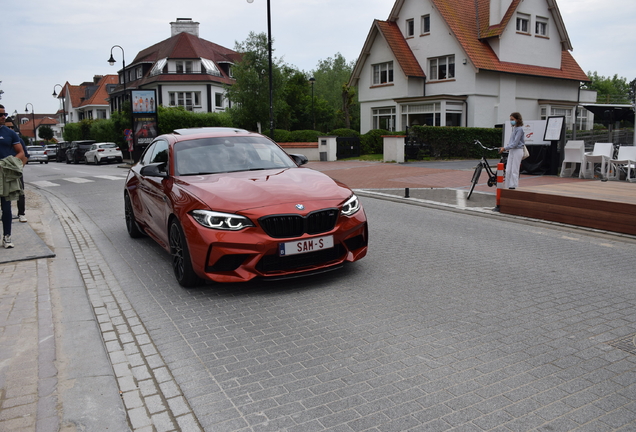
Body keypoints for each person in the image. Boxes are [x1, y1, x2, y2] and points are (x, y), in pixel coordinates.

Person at [0, 104, 28, 248]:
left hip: (5, 175)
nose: (3, 117)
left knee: (6, 207)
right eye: (0, 115)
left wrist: (14, 167)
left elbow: (21, 153)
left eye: (4, 114)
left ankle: (7, 237)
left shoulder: (10, 133)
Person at [4, 117, 28, 222]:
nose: (10, 129)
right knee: (4, 193)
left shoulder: (18, 139)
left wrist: (20, 168)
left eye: (12, 127)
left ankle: (21, 214)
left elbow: (25, 155)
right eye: (8, 127)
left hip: (15, 170)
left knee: (20, 192)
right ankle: (6, 213)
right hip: (3, 170)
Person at [499, 112, 525, 189]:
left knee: (514, 169)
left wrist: (505, 148)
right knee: (508, 170)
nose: (511, 121)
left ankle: (513, 186)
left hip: (517, 150)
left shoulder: (519, 129)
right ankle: (508, 185)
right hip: (512, 150)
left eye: (512, 119)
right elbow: (513, 143)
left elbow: (515, 143)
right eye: (510, 119)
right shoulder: (515, 128)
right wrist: (507, 148)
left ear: (517, 119)